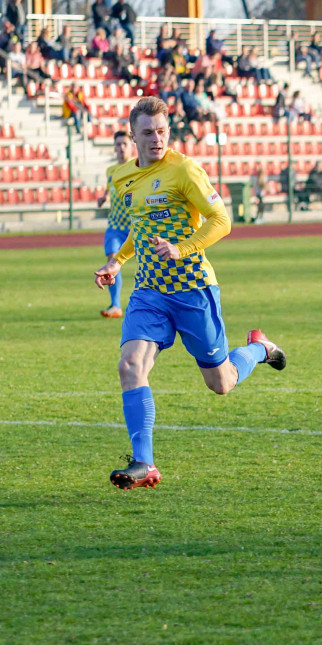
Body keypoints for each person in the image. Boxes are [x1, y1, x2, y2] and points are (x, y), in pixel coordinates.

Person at [93, 96, 287, 491]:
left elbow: (222, 220)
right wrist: (117, 261)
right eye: (148, 132)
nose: (156, 139)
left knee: (221, 382)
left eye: (162, 131)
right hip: (149, 291)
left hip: (192, 289)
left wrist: (182, 248)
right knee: (130, 366)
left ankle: (259, 348)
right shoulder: (123, 177)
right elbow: (141, 226)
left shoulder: (184, 170)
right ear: (132, 135)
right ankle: (144, 463)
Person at [95, 130, 134, 318]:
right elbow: (110, 190)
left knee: (150, 262)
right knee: (112, 260)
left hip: (134, 226)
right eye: (118, 145)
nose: (121, 148)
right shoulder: (111, 171)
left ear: (131, 146)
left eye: (124, 144)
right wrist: (104, 198)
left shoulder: (137, 167)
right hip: (115, 226)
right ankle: (116, 305)